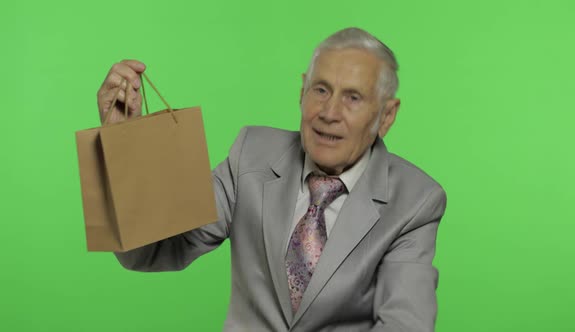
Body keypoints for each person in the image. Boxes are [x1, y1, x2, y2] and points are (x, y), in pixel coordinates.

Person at [96, 27, 447, 332]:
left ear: (386, 116)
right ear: (301, 91)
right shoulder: (251, 153)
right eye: (321, 90)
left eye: (352, 98)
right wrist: (125, 143)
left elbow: (405, 324)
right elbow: (152, 250)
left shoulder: (416, 201)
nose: (329, 113)